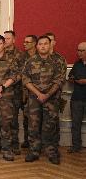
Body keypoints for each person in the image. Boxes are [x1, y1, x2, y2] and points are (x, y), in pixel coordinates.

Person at [22, 35, 64, 164]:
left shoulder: (58, 61)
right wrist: (38, 94)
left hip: (51, 100)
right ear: (37, 46)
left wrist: (47, 95)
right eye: (40, 44)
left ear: (50, 44)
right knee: (33, 126)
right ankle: (34, 151)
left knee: (50, 126)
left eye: (45, 43)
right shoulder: (30, 61)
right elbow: (25, 79)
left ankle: (52, 152)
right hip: (34, 99)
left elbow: (59, 80)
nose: (43, 46)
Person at [3, 30, 26, 155]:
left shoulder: (20, 55)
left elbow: (21, 74)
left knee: (13, 120)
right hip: (1, 93)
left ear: (13, 40)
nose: (5, 40)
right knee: (2, 120)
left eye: (8, 38)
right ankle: (2, 144)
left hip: (14, 93)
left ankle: (15, 145)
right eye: (4, 38)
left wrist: (8, 83)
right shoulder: (0, 53)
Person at [67, 42, 86, 153]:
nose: (80, 53)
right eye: (78, 50)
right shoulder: (77, 64)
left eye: (82, 50)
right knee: (75, 124)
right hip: (77, 98)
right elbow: (70, 77)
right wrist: (73, 79)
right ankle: (75, 146)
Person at [21, 35, 38, 149]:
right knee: (26, 118)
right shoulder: (22, 56)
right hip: (25, 93)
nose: (24, 44)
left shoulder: (40, 56)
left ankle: (37, 143)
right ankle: (27, 140)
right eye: (24, 42)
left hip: (38, 92)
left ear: (34, 43)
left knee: (37, 120)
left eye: (27, 42)